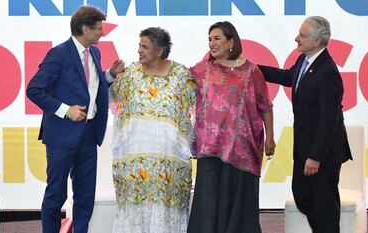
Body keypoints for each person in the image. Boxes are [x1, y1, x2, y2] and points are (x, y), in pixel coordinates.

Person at [26, 5, 123, 233]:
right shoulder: (58, 54)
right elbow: (34, 89)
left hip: (89, 134)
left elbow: (92, 85)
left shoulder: (95, 52)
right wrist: (65, 110)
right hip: (61, 134)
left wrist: (109, 75)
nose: (102, 33)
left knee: (85, 194)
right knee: (56, 193)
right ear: (84, 28)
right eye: (99, 29)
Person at [258, 16, 353, 233]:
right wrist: (253, 69)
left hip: (323, 154)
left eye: (302, 36)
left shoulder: (327, 72)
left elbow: (329, 120)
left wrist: (316, 157)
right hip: (304, 148)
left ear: (317, 41)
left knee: (325, 207)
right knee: (302, 195)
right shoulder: (306, 61)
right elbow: (288, 76)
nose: (296, 39)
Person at [187, 21, 275, 233]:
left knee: (239, 205)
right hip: (210, 149)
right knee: (208, 203)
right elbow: (176, 82)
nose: (212, 43)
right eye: (209, 39)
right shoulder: (202, 70)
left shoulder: (251, 71)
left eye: (217, 38)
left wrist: (270, 138)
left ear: (231, 42)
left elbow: (265, 107)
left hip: (242, 151)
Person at [109, 27, 196, 233]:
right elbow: (110, 95)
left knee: (167, 207)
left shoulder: (182, 74)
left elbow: (200, 103)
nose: (139, 50)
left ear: (160, 50)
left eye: (145, 46)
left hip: (170, 158)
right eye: (139, 45)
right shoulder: (131, 73)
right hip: (135, 159)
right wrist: (111, 75)